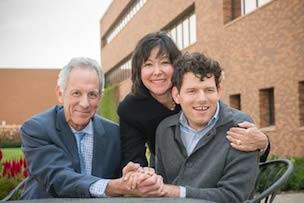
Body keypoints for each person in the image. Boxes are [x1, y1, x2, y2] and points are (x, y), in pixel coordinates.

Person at [117, 31, 270, 168]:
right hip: (167, 170)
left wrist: (263, 144)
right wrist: (138, 176)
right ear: (138, 70)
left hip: (212, 164)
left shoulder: (191, 91)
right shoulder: (130, 109)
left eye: (165, 62)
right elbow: (134, 156)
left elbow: (226, 121)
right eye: (148, 65)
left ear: (177, 65)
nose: (157, 72)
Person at [20, 57, 164, 199]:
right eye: (76, 93)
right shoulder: (37, 129)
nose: (84, 103)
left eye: (92, 94)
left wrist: (134, 176)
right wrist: (112, 187)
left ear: (100, 97)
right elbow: (58, 178)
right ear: (60, 93)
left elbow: (125, 178)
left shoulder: (115, 134)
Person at [155, 52, 259, 202]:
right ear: (176, 95)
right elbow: (159, 184)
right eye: (192, 91)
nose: (202, 99)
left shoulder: (241, 126)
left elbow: (235, 196)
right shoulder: (164, 130)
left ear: (219, 92)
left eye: (209, 90)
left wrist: (176, 192)